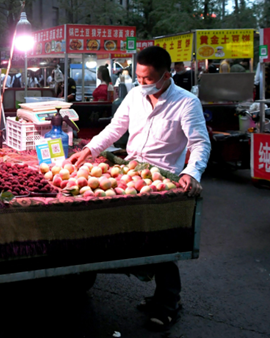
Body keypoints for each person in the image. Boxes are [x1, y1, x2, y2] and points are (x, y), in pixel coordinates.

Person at [68, 46, 210, 332]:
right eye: (139, 77)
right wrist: (90, 149)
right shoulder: (134, 95)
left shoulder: (186, 103)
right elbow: (115, 128)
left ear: (166, 75)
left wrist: (190, 173)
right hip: (129, 171)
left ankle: (168, 302)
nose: (142, 83)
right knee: (122, 231)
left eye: (148, 79)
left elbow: (199, 143)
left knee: (161, 240)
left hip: (163, 179)